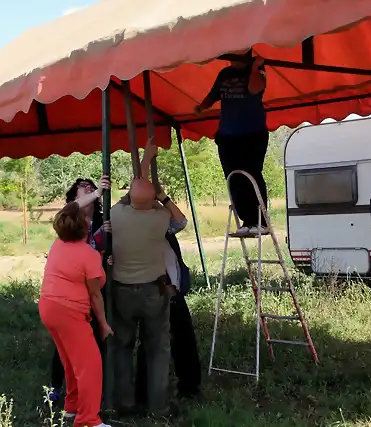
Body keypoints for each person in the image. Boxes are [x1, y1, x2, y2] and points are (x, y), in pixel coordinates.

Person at [108, 143, 186, 418]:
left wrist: (145, 158)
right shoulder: (160, 218)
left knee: (122, 347)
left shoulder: (116, 215)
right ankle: (158, 406)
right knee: (157, 349)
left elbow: (135, 191)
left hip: (121, 292)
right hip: (153, 292)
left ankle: (124, 402)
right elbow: (182, 221)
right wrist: (162, 197)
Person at [39, 200, 113, 427]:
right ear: (85, 227)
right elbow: (95, 295)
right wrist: (103, 323)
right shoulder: (88, 255)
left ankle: (72, 407)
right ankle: (89, 420)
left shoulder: (57, 245)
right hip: (69, 312)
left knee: (70, 361)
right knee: (90, 366)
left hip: (48, 307)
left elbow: (70, 207)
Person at [48, 176, 110, 404]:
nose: (89, 190)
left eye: (91, 187)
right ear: (74, 199)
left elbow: (108, 253)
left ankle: (95, 391)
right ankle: (54, 387)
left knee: (95, 339)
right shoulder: (69, 219)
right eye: (82, 190)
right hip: (72, 289)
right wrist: (95, 193)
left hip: (95, 285)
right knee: (64, 345)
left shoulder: (104, 220)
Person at [194, 50, 270, 236]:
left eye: (236, 56)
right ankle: (246, 220)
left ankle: (261, 221)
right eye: (230, 56)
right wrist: (202, 106)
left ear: (247, 54)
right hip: (227, 136)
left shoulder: (257, 71)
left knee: (251, 176)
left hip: (252, 134)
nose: (231, 60)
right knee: (234, 178)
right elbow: (214, 94)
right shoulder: (224, 74)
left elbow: (254, 89)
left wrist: (254, 67)